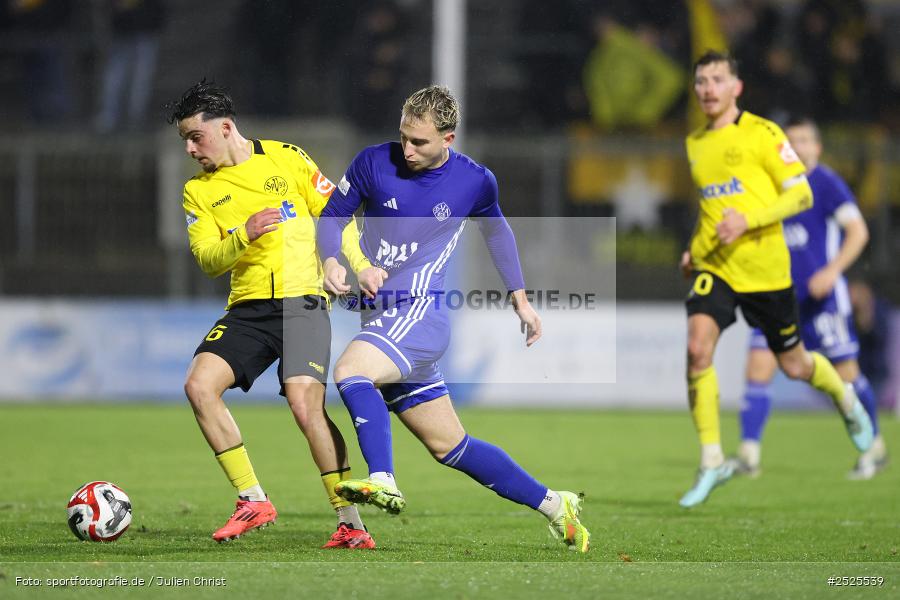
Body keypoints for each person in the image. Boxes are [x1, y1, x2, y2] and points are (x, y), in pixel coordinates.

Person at [315, 85, 590, 553]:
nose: (407, 149)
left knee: (350, 371)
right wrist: (330, 261)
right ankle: (554, 504)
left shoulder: (474, 181)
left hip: (419, 313)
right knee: (450, 446)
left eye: (419, 142)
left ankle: (384, 479)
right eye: (403, 137)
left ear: (448, 138)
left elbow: (498, 232)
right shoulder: (372, 162)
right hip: (382, 316)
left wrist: (521, 299)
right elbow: (332, 216)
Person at [167, 80, 382, 548]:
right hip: (248, 308)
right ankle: (252, 499)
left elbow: (337, 215)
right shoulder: (197, 192)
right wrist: (243, 234)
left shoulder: (287, 158)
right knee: (199, 386)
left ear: (226, 128)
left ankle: (350, 521)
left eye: (195, 137)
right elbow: (207, 260)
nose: (190, 149)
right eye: (185, 140)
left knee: (305, 404)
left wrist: (359, 265)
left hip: (303, 300)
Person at [678, 51, 873, 508]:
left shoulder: (764, 133)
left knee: (796, 366)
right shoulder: (694, 143)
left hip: (766, 273)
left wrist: (748, 221)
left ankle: (844, 399)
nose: (708, 88)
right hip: (717, 268)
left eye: (717, 79)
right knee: (697, 348)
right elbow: (711, 212)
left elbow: (801, 195)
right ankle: (712, 461)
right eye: (701, 81)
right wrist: (695, 250)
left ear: (736, 87)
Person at [733, 117, 888, 480]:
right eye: (791, 141)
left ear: (817, 147)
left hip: (822, 302)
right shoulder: (774, 183)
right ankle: (748, 455)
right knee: (757, 368)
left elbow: (858, 232)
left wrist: (832, 272)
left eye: (804, 140)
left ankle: (874, 447)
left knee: (846, 377)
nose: (797, 146)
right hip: (777, 298)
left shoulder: (827, 183)